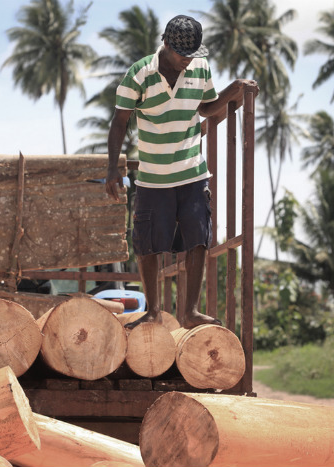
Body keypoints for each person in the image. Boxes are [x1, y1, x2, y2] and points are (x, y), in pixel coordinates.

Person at [106, 14, 232, 330]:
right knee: (148, 244)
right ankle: (152, 311)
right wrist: (111, 170)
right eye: (181, 54)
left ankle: (189, 312)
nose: (187, 61)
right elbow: (120, 121)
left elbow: (206, 108)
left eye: (191, 55)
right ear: (165, 43)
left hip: (192, 172)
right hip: (152, 177)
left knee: (199, 238)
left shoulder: (200, 68)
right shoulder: (139, 74)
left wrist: (235, 91)